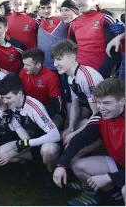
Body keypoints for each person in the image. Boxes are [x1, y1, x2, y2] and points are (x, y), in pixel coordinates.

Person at [53, 78, 125, 206]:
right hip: (121, 164)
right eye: (99, 102)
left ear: (122, 101)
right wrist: (61, 166)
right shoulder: (101, 116)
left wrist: (109, 177)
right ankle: (116, 197)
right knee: (79, 166)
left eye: (107, 103)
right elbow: (79, 140)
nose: (101, 108)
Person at [0, 73, 61, 195]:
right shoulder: (11, 106)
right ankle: (33, 167)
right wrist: (11, 122)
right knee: (1, 153)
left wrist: (26, 144)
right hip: (29, 143)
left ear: (20, 93)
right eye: (3, 98)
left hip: (43, 144)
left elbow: (55, 135)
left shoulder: (34, 107)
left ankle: (52, 177)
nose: (5, 101)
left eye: (8, 98)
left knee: (49, 151)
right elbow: (22, 134)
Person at [51, 40, 104, 145]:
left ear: (72, 58)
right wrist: (71, 128)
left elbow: (97, 114)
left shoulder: (86, 78)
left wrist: (74, 133)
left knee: (74, 137)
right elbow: (75, 103)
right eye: (54, 60)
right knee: (67, 132)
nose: (55, 64)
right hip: (90, 110)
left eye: (59, 59)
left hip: (104, 117)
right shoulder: (71, 77)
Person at [68, 0, 120, 79]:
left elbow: (115, 53)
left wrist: (99, 76)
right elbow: (73, 50)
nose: (78, 2)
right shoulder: (74, 23)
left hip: (101, 78)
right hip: (80, 75)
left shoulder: (105, 19)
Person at [19, 48, 63, 128]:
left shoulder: (51, 77)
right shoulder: (23, 72)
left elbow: (57, 104)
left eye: (28, 65)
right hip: (27, 110)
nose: (24, 67)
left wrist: (37, 114)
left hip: (46, 113)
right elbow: (19, 94)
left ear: (38, 65)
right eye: (24, 64)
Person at [37, 0, 68, 71]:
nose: (46, 11)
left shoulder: (64, 20)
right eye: (43, 8)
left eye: (49, 7)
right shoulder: (40, 22)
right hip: (43, 66)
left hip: (59, 68)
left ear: (56, 7)